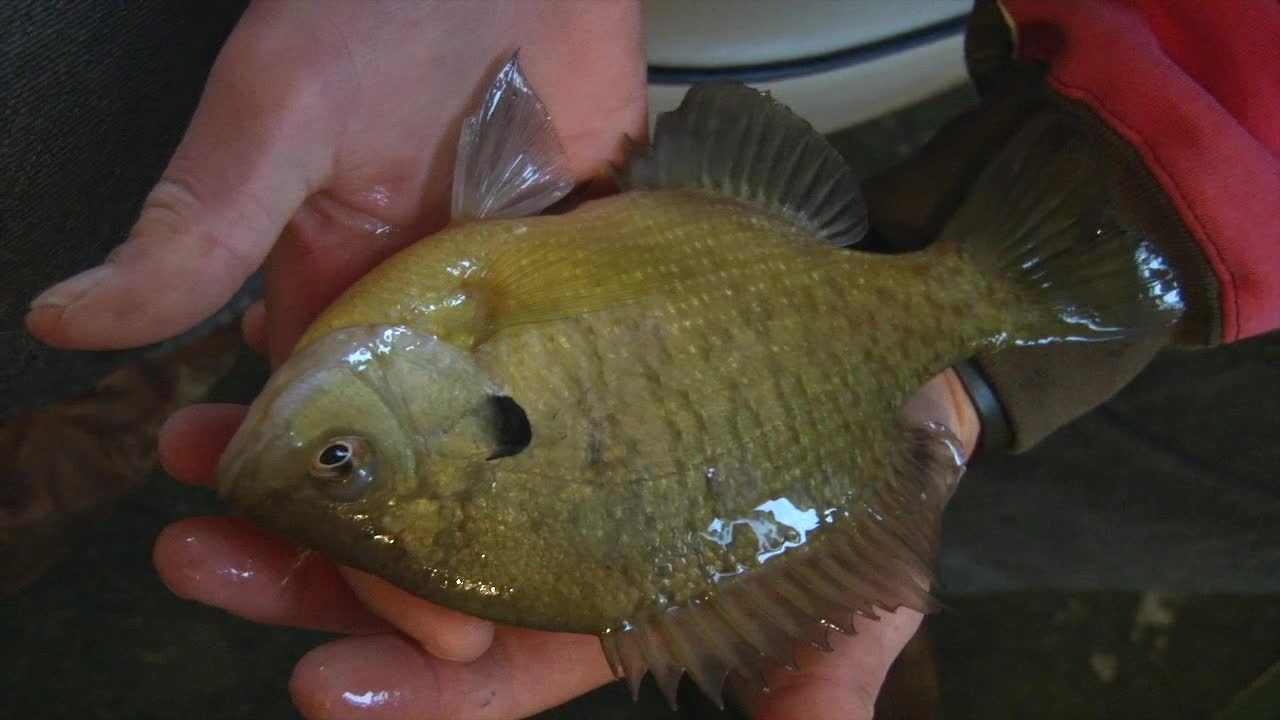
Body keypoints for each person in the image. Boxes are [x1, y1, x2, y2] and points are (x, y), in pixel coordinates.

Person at [19, 1, 1280, 719]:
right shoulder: (461, 310)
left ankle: (154, 364)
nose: (318, 448)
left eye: (345, 458)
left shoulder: (455, 293)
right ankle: (166, 358)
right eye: (331, 459)